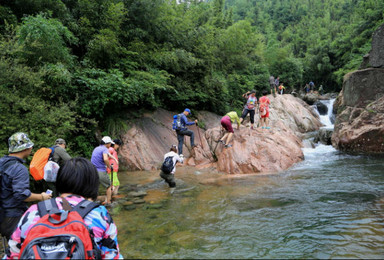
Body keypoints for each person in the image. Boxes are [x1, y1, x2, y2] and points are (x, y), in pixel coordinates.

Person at [6, 157, 122, 259]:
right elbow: (112, 255)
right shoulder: (100, 214)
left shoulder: (33, 211)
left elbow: (13, 254)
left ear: (60, 181)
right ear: (92, 184)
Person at [0, 132, 52, 241]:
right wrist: (42, 197)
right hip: (13, 216)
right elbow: (21, 195)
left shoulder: (2, 162)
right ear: (25, 149)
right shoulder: (19, 168)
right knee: (21, 247)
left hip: (2, 214)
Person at [91, 136, 114, 206]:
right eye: (110, 143)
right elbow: (105, 159)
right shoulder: (104, 149)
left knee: (95, 186)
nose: (110, 145)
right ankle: (109, 202)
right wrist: (109, 166)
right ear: (107, 143)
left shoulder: (96, 148)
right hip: (100, 171)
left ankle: (93, 201)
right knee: (109, 186)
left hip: (92, 170)